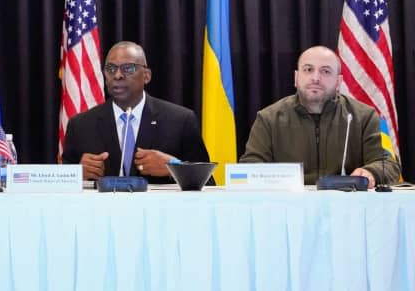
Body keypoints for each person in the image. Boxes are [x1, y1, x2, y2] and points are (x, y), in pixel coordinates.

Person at [240, 45, 400, 187]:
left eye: (325, 71)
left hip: (347, 209)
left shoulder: (364, 116)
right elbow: (250, 166)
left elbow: (388, 166)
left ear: (338, 82)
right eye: (308, 69)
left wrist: (371, 173)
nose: (315, 78)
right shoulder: (269, 118)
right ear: (296, 78)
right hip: (288, 210)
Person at [62, 41, 210, 183]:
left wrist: (173, 167)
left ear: (147, 76)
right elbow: (61, 185)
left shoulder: (181, 120)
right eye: (111, 69)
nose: (118, 75)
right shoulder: (80, 125)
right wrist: (77, 174)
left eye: (128, 68)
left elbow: (208, 183)